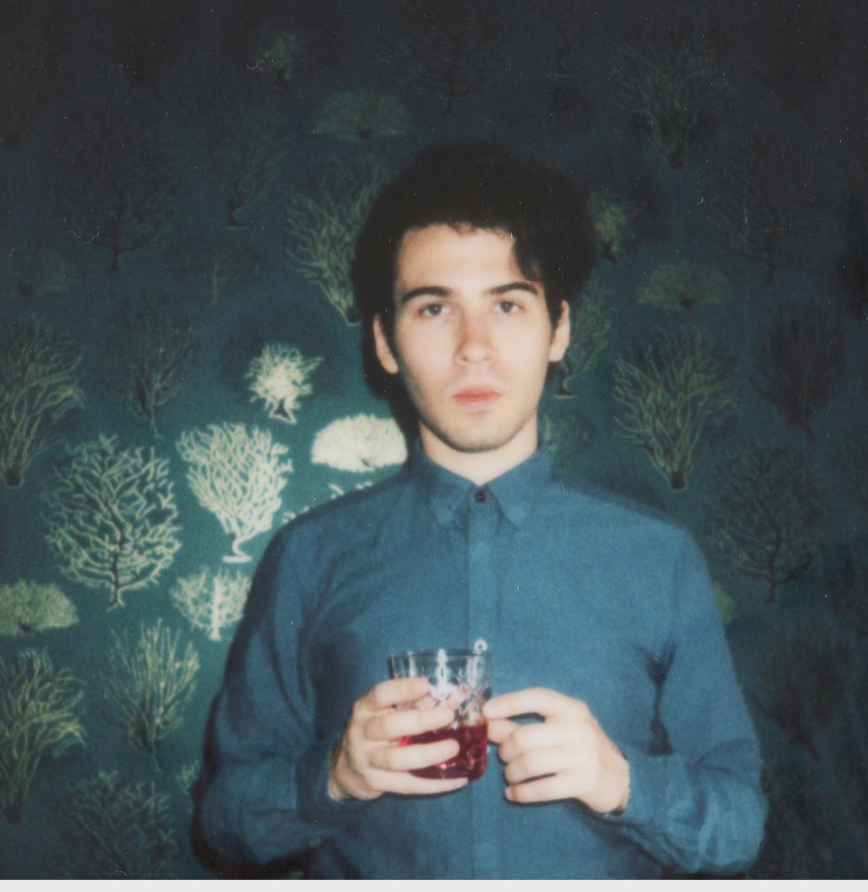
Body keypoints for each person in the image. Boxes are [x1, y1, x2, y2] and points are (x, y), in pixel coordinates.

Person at [195, 142, 766, 879]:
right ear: (386, 341)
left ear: (559, 329)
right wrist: (332, 776)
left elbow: (740, 824)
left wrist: (624, 782)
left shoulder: (659, 558)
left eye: (507, 304)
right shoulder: (309, 557)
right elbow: (223, 820)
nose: (474, 347)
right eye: (435, 308)